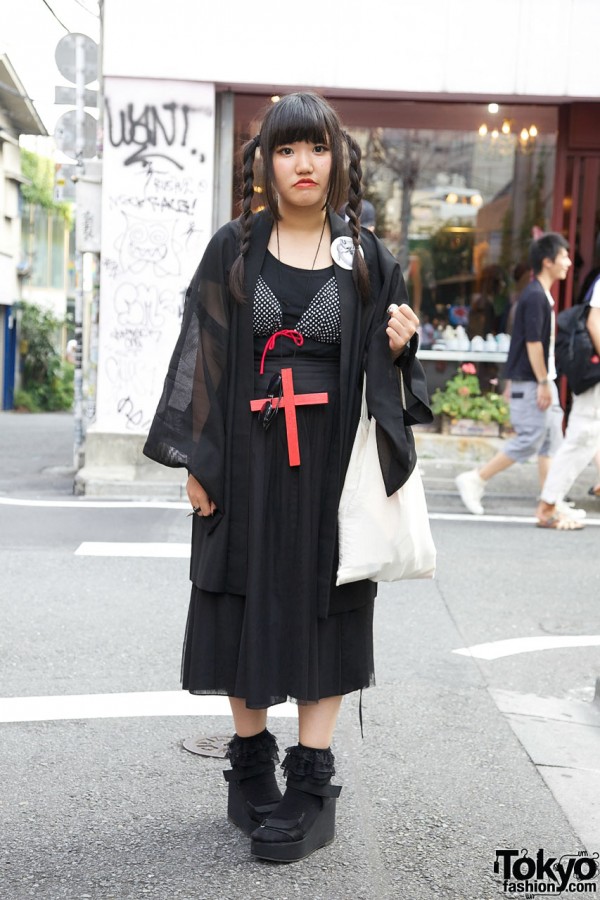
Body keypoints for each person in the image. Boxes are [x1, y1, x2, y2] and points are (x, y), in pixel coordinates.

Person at [143, 92, 431, 863]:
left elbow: (392, 378)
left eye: (317, 148)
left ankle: (311, 783)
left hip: (330, 469)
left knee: (325, 602)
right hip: (244, 455)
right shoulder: (235, 248)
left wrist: (402, 349)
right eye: (285, 148)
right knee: (235, 590)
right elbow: (200, 359)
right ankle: (248, 770)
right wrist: (197, 463)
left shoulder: (367, 258)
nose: (303, 164)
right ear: (265, 161)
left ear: (337, 159)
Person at [455, 232, 578, 523]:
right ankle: (475, 478)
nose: (569, 262)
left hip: (540, 380)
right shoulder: (535, 296)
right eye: (563, 257)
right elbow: (533, 344)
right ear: (547, 262)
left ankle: (552, 502)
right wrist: (544, 382)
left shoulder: (540, 295)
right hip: (535, 382)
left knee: (550, 442)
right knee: (531, 440)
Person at [536, 271, 600, 528]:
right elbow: (595, 321)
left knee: (587, 436)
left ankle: (550, 503)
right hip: (594, 377)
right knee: (582, 436)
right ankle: (548, 505)